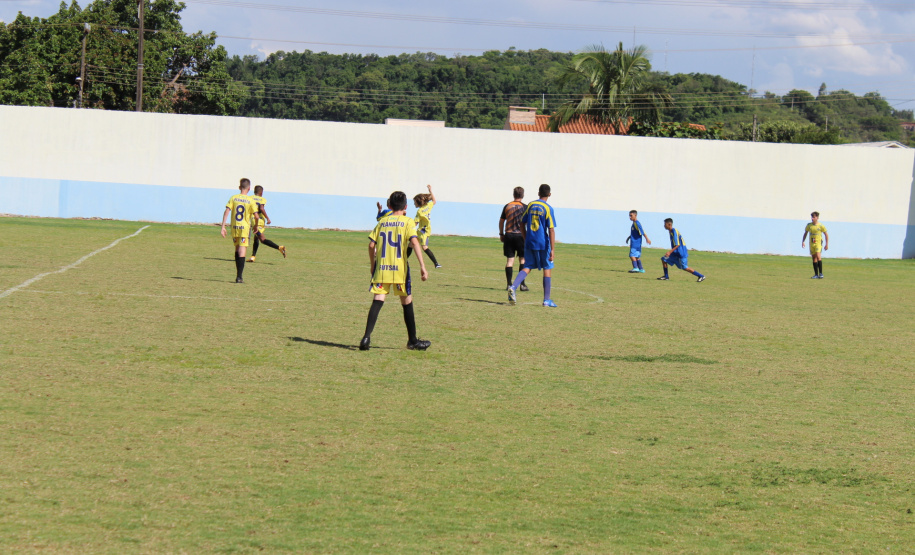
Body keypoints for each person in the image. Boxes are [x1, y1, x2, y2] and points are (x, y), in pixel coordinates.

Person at [360, 191, 431, 351]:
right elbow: (415, 242)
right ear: (406, 206)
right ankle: (412, 341)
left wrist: (373, 264)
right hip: (400, 270)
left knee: (378, 300)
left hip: (382, 268)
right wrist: (422, 266)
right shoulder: (407, 222)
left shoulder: (382, 222)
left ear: (389, 206)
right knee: (407, 302)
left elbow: (371, 245)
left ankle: (366, 337)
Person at [508, 184, 557, 307]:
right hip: (543, 243)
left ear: (538, 193)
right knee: (547, 267)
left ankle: (513, 287)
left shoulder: (530, 205)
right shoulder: (548, 208)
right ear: (549, 194)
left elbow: (521, 223)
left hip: (530, 241)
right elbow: (551, 230)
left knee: (528, 266)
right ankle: (546, 300)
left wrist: (526, 238)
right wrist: (552, 249)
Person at [220, 178, 259, 283]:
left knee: (237, 249)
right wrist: (255, 226)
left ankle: (238, 275)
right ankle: (239, 276)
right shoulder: (251, 200)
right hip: (245, 228)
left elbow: (227, 211)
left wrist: (223, 226)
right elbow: (256, 216)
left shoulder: (234, 198)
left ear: (239, 187)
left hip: (234, 227)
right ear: (249, 188)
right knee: (242, 250)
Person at [499, 186, 529, 291]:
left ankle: (508, 284)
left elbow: (502, 221)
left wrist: (501, 234)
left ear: (513, 195)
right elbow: (528, 222)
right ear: (523, 195)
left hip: (509, 235)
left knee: (510, 261)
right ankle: (522, 284)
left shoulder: (507, 206)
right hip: (521, 235)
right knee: (523, 259)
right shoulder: (525, 207)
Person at [248, 185, 286, 262]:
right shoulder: (262, 199)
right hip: (260, 220)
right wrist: (267, 218)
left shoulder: (250, 198)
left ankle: (279, 247)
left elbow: (260, 208)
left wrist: (268, 217)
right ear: (261, 192)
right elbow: (261, 208)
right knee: (256, 238)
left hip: (255, 220)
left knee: (262, 239)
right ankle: (253, 256)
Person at [407, 184, 441, 268]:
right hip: (421, 230)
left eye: (414, 202)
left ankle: (436, 263)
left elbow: (415, 223)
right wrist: (430, 191)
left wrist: (407, 227)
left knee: (424, 247)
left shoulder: (420, 212)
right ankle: (404, 260)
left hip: (423, 231)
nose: (414, 203)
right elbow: (434, 201)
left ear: (418, 202)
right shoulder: (428, 206)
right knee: (410, 245)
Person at [802, 211, 829, 279]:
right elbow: (805, 233)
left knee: (818, 256)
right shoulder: (809, 225)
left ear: (817, 217)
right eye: (812, 217)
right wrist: (803, 241)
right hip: (812, 243)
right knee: (814, 258)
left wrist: (826, 244)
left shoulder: (820, 226)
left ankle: (821, 273)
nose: (812, 218)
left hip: (818, 243)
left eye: (814, 217)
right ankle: (816, 274)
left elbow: (826, 234)